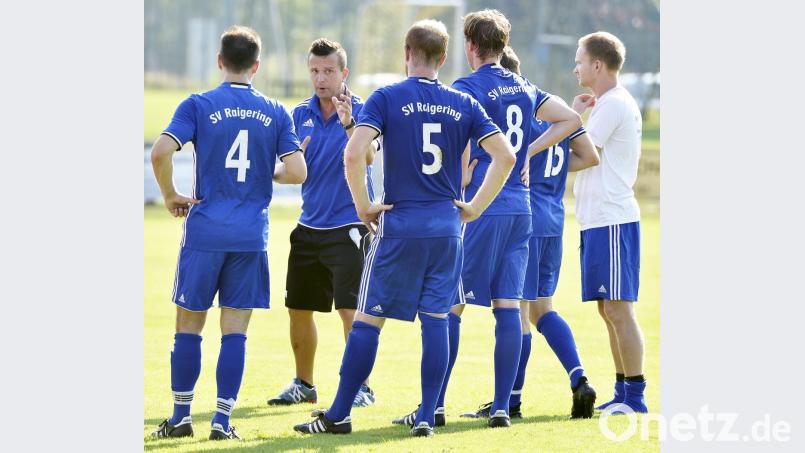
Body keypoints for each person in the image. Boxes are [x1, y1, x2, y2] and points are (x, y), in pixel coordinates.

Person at [293, 18, 515, 437]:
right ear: (443, 58)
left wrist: (363, 206)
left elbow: (354, 153)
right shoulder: (462, 102)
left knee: (367, 321)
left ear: (407, 54)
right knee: (436, 321)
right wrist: (473, 208)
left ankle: (339, 414)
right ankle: (427, 416)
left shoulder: (387, 97)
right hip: (446, 230)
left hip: (399, 226)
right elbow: (505, 156)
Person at [393, 10, 582, 430]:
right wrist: (529, 150)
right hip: (521, 208)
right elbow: (571, 119)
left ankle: (433, 407)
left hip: (484, 206)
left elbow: (456, 149)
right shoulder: (524, 86)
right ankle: (500, 408)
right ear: (502, 44)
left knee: (450, 305)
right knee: (508, 306)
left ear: (471, 46)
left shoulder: (467, 87)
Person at [149, 25, 307, 441]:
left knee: (189, 325)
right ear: (257, 65)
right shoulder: (276, 111)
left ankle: (181, 418)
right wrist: (267, 172)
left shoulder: (198, 104)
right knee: (235, 330)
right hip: (250, 236)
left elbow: (161, 151)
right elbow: (297, 172)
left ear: (220, 61)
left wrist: (170, 195)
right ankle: (221, 421)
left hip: (204, 233)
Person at [460, 46, 601, 420]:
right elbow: (590, 156)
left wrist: (528, 157)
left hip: (525, 217)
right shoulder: (553, 115)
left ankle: (511, 400)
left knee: (518, 313)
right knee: (541, 310)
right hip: (554, 219)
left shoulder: (517, 126)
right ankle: (578, 377)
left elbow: (505, 159)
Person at [267, 38, 379, 409]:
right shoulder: (298, 114)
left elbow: (368, 156)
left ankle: (361, 387)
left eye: (328, 71)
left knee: (351, 312)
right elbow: (291, 171)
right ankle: (304, 384)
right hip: (308, 228)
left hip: (349, 228)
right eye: (314, 71)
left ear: (344, 73)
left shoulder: (364, 110)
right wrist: (274, 173)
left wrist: (349, 124)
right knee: (298, 309)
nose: (320, 78)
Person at [571, 31, 647, 413]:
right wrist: (576, 117)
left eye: (580, 61)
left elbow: (583, 154)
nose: (576, 68)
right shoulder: (606, 103)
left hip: (612, 220)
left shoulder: (613, 103)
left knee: (619, 310)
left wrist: (544, 160)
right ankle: (622, 392)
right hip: (597, 221)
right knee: (607, 310)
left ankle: (635, 396)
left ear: (597, 64)